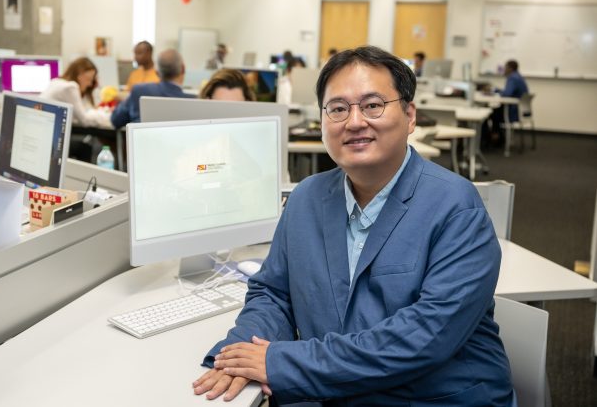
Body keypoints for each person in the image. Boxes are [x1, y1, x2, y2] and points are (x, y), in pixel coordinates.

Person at [193, 46, 514, 406]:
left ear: (410, 115)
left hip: (434, 397)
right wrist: (238, 356)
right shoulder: (306, 199)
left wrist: (280, 362)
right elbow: (274, 294)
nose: (355, 121)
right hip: (334, 392)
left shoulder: (456, 206)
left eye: (373, 105)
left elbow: (424, 337)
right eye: (339, 109)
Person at [111, 49, 195, 128]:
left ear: (157, 73)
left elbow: (116, 120)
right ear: (183, 69)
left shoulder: (139, 91)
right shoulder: (194, 101)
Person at [40, 57, 111, 128]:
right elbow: (84, 120)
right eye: (89, 79)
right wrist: (108, 116)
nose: (90, 84)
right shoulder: (71, 87)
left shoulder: (56, 81)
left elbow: (84, 111)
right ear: (79, 75)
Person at [488, 59, 528, 145]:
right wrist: (497, 90)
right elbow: (508, 92)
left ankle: (495, 139)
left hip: (512, 112)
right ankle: (497, 138)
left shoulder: (512, 77)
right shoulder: (518, 76)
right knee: (495, 112)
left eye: (505, 67)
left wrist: (495, 91)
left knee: (491, 113)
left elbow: (507, 93)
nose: (504, 70)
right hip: (521, 111)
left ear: (510, 68)